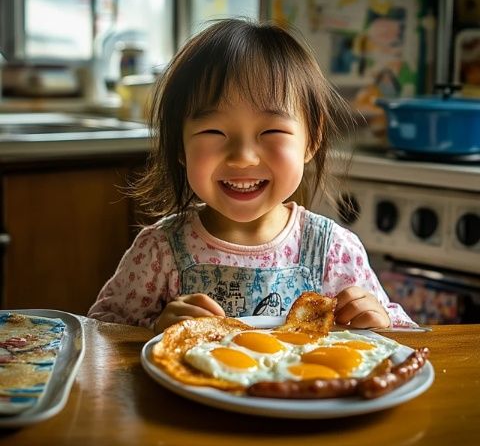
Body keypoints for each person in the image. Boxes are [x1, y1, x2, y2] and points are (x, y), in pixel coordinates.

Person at [88, 18, 415, 333]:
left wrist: (379, 324)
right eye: (214, 131)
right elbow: (100, 333)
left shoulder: (334, 250)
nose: (243, 157)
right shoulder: (159, 251)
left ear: (311, 141)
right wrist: (154, 329)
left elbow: (407, 336)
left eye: (271, 130)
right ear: (179, 145)